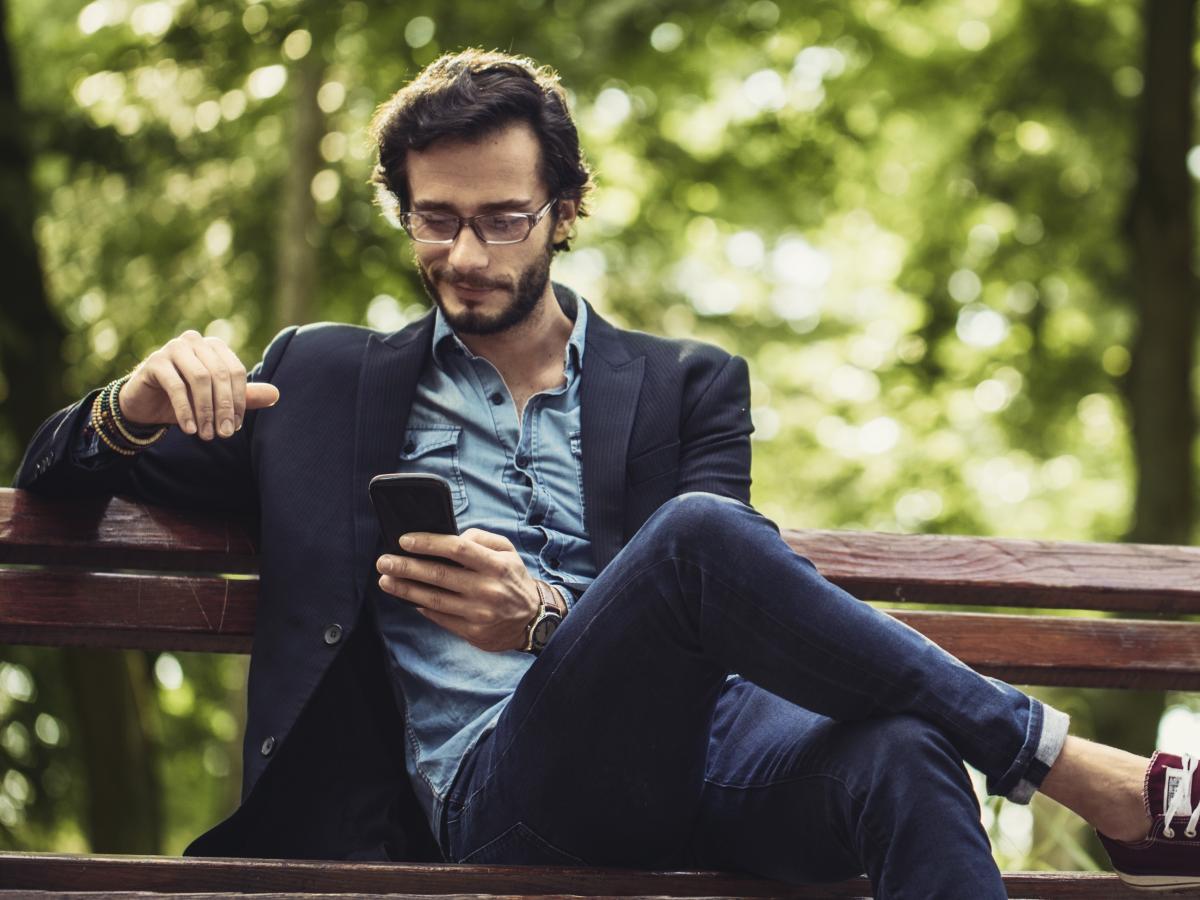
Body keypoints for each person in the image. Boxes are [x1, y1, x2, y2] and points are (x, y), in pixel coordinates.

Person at [14, 48, 1199, 896]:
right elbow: (51, 486)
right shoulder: (321, 384)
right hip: (502, 798)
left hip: (722, 766)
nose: (463, 256)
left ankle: (1032, 759)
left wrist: (545, 618)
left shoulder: (688, 383)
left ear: (568, 211)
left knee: (898, 750)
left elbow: (724, 606)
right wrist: (127, 405)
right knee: (690, 535)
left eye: (502, 220)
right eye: (433, 221)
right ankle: (1067, 765)